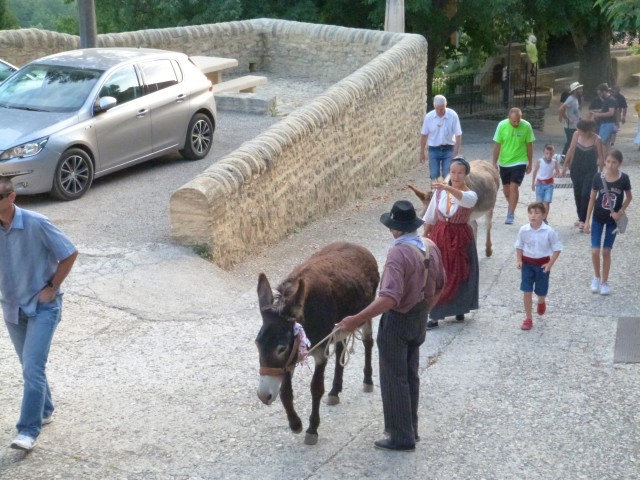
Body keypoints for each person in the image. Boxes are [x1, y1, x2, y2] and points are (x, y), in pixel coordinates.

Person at [335, 200, 445, 452]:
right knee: (410, 374)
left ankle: (400, 436)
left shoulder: (398, 253)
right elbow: (440, 283)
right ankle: (410, 428)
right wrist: (426, 308)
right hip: (419, 316)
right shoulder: (429, 246)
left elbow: (389, 298)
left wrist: (355, 320)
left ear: (395, 229)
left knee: (394, 378)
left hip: (397, 319)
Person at [0, 176, 78, 451]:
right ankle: (44, 410)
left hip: (43, 307)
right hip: (11, 308)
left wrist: (53, 286)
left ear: (11, 198)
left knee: (33, 367)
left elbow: (69, 252)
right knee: (29, 367)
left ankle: (28, 430)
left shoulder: (36, 223)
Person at [422, 156, 479, 328]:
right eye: (453, 172)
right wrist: (425, 237)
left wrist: (447, 187)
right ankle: (435, 315)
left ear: (465, 175)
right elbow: (431, 216)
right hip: (440, 235)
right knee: (438, 274)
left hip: (460, 237)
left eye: (460, 173)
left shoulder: (470, 194)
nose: (456, 176)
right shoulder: (440, 193)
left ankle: (459, 307)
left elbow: (463, 199)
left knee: (460, 273)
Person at [584, 150, 632, 296]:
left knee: (606, 251)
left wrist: (620, 212)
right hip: (598, 217)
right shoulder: (598, 177)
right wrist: (586, 221)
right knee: (595, 250)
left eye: (614, 162)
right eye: (608, 162)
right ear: (604, 162)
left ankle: (605, 282)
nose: (610, 165)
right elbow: (592, 198)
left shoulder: (624, 179)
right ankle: (597, 277)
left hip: (613, 221)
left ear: (619, 164)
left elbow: (629, 198)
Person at [515, 202, 562, 331]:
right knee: (526, 291)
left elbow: (557, 248)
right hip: (527, 264)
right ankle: (528, 318)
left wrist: (550, 264)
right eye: (530, 213)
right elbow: (519, 246)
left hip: (542, 265)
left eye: (536, 213)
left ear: (543, 215)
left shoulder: (549, 232)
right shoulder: (523, 230)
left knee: (542, 291)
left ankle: (541, 301)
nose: (533, 216)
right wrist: (519, 260)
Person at [492, 107, 536, 224]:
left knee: (514, 187)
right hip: (505, 162)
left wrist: (530, 162)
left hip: (520, 161)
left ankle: (510, 214)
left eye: (518, 120)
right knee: (506, 189)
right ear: (509, 118)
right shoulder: (501, 125)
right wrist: (494, 162)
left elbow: (529, 145)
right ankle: (511, 205)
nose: (516, 123)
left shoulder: (526, 126)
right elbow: (497, 145)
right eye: (514, 121)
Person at [561, 119, 605, 232]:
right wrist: (565, 166)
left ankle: (584, 219)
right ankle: (581, 217)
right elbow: (571, 149)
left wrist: (600, 172)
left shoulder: (596, 139)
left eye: (581, 131)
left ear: (587, 131)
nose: (579, 132)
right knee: (577, 193)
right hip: (576, 168)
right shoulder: (576, 134)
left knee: (586, 194)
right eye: (578, 130)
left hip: (590, 171)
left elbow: (601, 157)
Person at [420, 95, 462, 184]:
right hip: (434, 149)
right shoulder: (429, 117)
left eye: (442, 109)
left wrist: (456, 151)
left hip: (449, 148)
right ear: (434, 106)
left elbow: (458, 134)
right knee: (434, 174)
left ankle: (447, 196)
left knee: (447, 175)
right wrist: (422, 152)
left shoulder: (453, 115)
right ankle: (435, 195)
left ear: (445, 106)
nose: (439, 111)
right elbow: (424, 135)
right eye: (437, 109)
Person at [531, 144, 560, 223]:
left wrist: (555, 173)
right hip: (540, 184)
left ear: (553, 153)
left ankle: (544, 218)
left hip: (549, 184)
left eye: (551, 153)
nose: (549, 155)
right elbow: (535, 172)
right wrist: (533, 183)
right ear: (543, 153)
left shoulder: (554, 162)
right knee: (539, 203)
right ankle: (539, 217)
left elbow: (557, 171)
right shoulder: (540, 161)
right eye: (547, 153)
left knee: (546, 202)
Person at [589, 83, 616, 156]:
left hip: (608, 123)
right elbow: (604, 110)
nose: (599, 95)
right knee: (606, 143)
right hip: (604, 123)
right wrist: (595, 111)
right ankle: (605, 158)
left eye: (600, 93)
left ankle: (603, 159)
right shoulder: (606, 100)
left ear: (604, 91)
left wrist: (598, 114)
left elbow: (611, 113)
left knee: (602, 142)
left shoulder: (611, 100)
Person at [558, 81, 583, 156]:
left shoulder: (575, 99)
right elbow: (561, 108)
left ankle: (569, 157)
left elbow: (574, 110)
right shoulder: (571, 99)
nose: (581, 90)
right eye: (579, 89)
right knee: (570, 142)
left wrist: (579, 117)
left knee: (573, 142)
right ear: (575, 90)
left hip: (574, 124)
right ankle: (563, 157)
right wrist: (565, 118)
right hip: (570, 126)